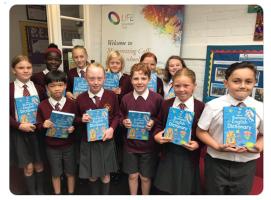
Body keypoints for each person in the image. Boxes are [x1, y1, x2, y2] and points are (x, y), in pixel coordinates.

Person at [196, 62, 263, 195]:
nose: (243, 86)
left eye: (248, 81)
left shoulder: (261, 107)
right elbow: (201, 131)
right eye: (236, 81)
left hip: (246, 164)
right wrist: (217, 146)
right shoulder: (212, 106)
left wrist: (258, 146)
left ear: (254, 82)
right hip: (216, 162)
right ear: (226, 83)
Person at [153, 68, 205, 194]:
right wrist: (157, 136)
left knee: (185, 188)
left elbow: (204, 132)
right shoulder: (166, 105)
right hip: (168, 154)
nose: (181, 89)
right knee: (165, 189)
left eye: (186, 85)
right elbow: (159, 124)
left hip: (188, 156)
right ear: (172, 86)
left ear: (194, 86)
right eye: (177, 86)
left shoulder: (201, 107)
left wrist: (198, 144)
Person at [120, 63, 163, 195]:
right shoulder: (126, 98)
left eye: (143, 78)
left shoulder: (157, 98)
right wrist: (124, 122)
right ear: (131, 80)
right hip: (130, 145)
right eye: (136, 78)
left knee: (145, 177)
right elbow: (121, 115)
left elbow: (160, 119)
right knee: (132, 176)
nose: (139, 82)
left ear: (149, 80)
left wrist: (153, 122)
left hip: (148, 146)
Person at [76, 63, 120, 195]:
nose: (95, 82)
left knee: (105, 175)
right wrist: (80, 119)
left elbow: (117, 115)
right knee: (92, 175)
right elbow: (75, 118)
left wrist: (112, 128)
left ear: (105, 78)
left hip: (106, 141)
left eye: (99, 78)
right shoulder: (80, 98)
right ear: (85, 78)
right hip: (88, 143)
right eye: (91, 78)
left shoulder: (111, 96)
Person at [10, 55, 47, 194]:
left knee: (39, 164)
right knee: (28, 167)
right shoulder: (8, 89)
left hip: (37, 132)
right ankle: (32, 194)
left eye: (28, 67)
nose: (25, 70)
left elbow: (46, 108)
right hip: (19, 132)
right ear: (14, 70)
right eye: (21, 68)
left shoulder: (40, 89)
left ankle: (41, 193)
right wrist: (18, 125)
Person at [36, 70, 77, 195]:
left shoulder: (72, 104)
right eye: (52, 86)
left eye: (60, 85)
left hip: (69, 145)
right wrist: (43, 125)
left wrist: (73, 128)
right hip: (51, 147)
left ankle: (71, 194)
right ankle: (57, 194)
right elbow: (38, 125)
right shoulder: (42, 105)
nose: (57, 89)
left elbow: (77, 121)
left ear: (65, 86)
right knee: (55, 173)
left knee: (70, 172)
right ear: (47, 88)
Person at [105, 50, 133, 183]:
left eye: (118, 62)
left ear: (121, 64)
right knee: (110, 144)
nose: (115, 65)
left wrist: (120, 93)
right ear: (108, 63)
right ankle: (111, 168)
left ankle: (120, 169)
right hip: (108, 115)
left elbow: (130, 97)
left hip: (122, 114)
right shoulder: (104, 77)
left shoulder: (127, 78)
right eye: (112, 62)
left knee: (120, 143)